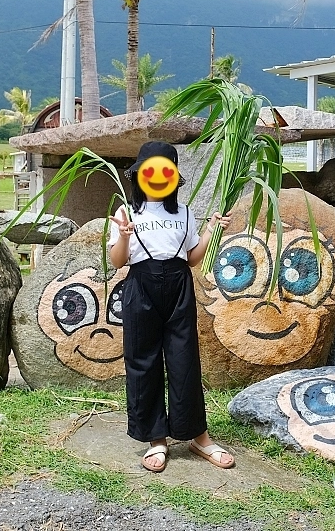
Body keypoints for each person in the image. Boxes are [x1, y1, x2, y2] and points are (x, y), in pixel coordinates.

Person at [108, 141, 235, 473]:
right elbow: (118, 261)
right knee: (142, 360)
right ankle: (156, 439)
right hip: (140, 286)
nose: (158, 178)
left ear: (174, 177)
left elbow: (192, 259)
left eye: (166, 172)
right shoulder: (126, 213)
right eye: (150, 172)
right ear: (138, 176)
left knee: (184, 359)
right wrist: (123, 235)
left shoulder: (186, 213)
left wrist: (209, 231)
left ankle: (197, 436)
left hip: (179, 285)